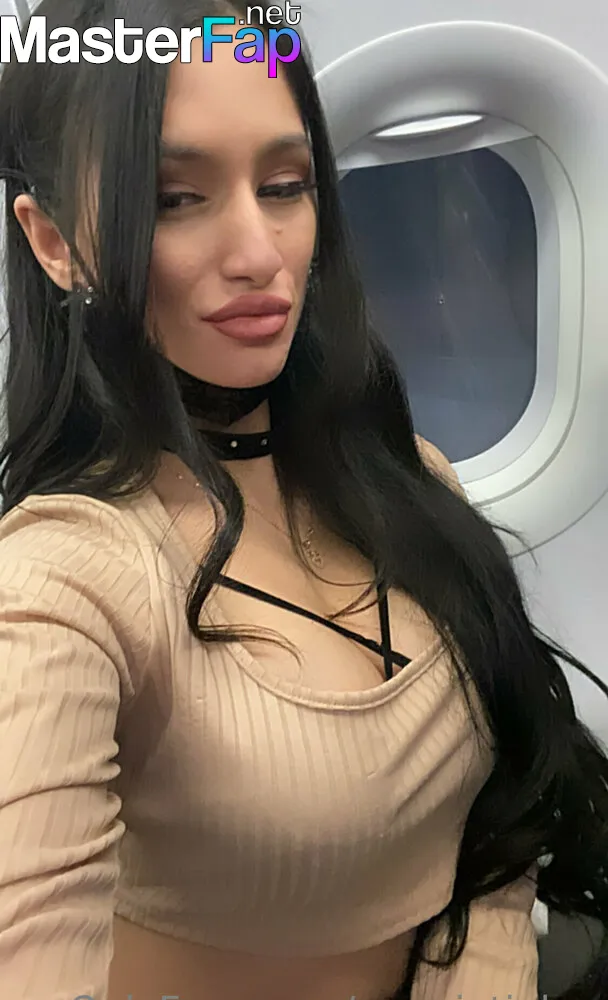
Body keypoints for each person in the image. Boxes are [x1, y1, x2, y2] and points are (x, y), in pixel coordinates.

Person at [0, 1, 607, 998]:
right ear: (54, 239)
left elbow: (496, 833)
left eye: (284, 185)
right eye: (175, 198)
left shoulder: (410, 478)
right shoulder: (58, 586)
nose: (260, 252)